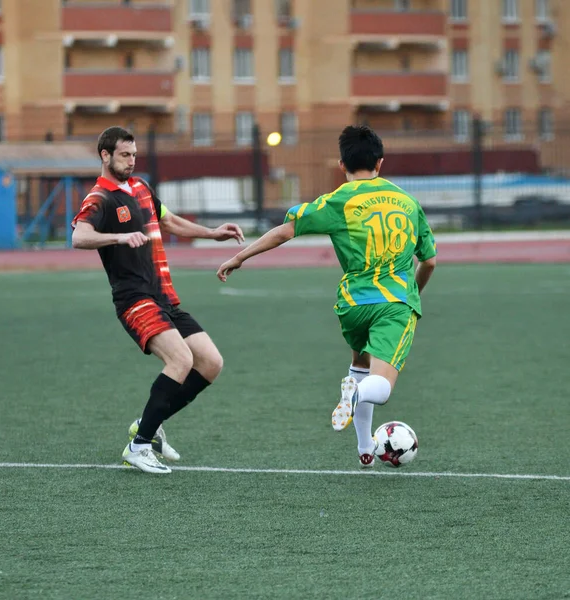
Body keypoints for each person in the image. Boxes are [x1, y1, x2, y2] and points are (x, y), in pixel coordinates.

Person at [216, 125, 437, 468]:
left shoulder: (338, 201)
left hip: (351, 306)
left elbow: (285, 230)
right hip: (393, 304)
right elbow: (430, 260)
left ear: (341, 164)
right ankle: (355, 395)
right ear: (380, 162)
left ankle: (365, 448)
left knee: (360, 367)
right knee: (380, 386)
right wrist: (412, 295)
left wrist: (239, 256)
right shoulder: (408, 202)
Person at [72, 126, 244, 474]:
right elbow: (79, 236)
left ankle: (146, 424)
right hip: (134, 299)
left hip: (165, 297)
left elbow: (169, 221)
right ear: (105, 156)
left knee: (210, 363)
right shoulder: (99, 198)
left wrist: (211, 233)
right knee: (180, 360)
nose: (131, 161)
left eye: (134, 155)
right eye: (124, 155)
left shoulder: (141, 187)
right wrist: (117, 240)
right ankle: (138, 446)